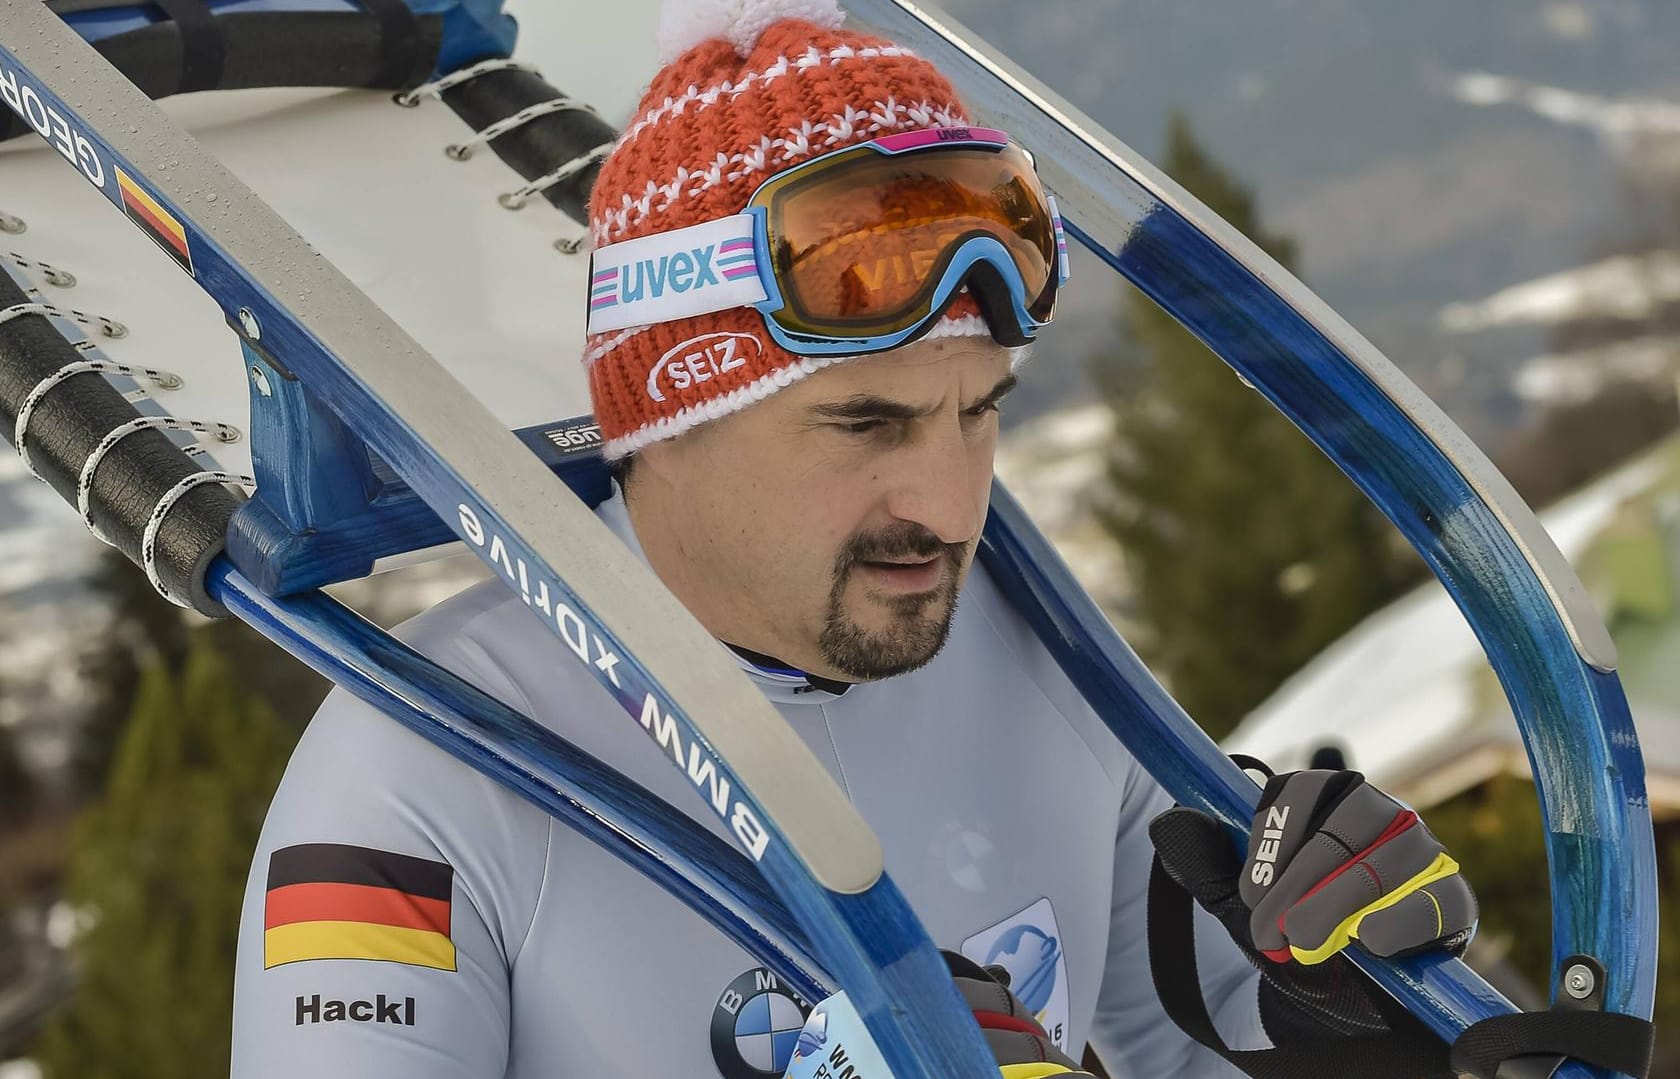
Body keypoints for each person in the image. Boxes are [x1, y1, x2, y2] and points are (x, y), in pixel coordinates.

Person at [230, 2, 1476, 1076]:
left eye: (978, 411)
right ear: (666, 425)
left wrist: (1361, 1015)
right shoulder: (416, 778)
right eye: (865, 422)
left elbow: (1206, 1032)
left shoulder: (1042, 651)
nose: (946, 505)